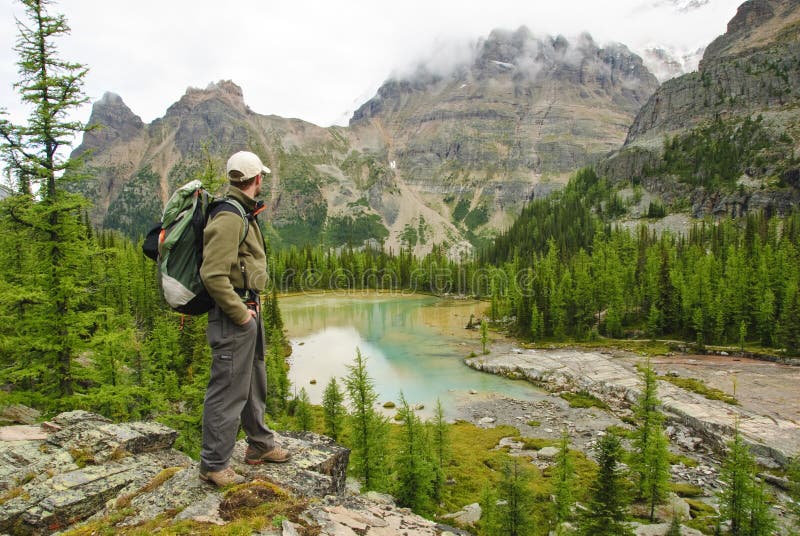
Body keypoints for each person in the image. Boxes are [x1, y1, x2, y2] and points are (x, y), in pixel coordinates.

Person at [198, 150, 290, 487]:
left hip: (246, 309)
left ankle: (259, 446)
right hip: (232, 316)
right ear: (256, 178)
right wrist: (240, 316)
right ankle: (214, 465)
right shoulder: (230, 215)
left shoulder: (243, 211)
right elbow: (212, 274)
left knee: (253, 381)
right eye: (261, 176)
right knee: (227, 390)